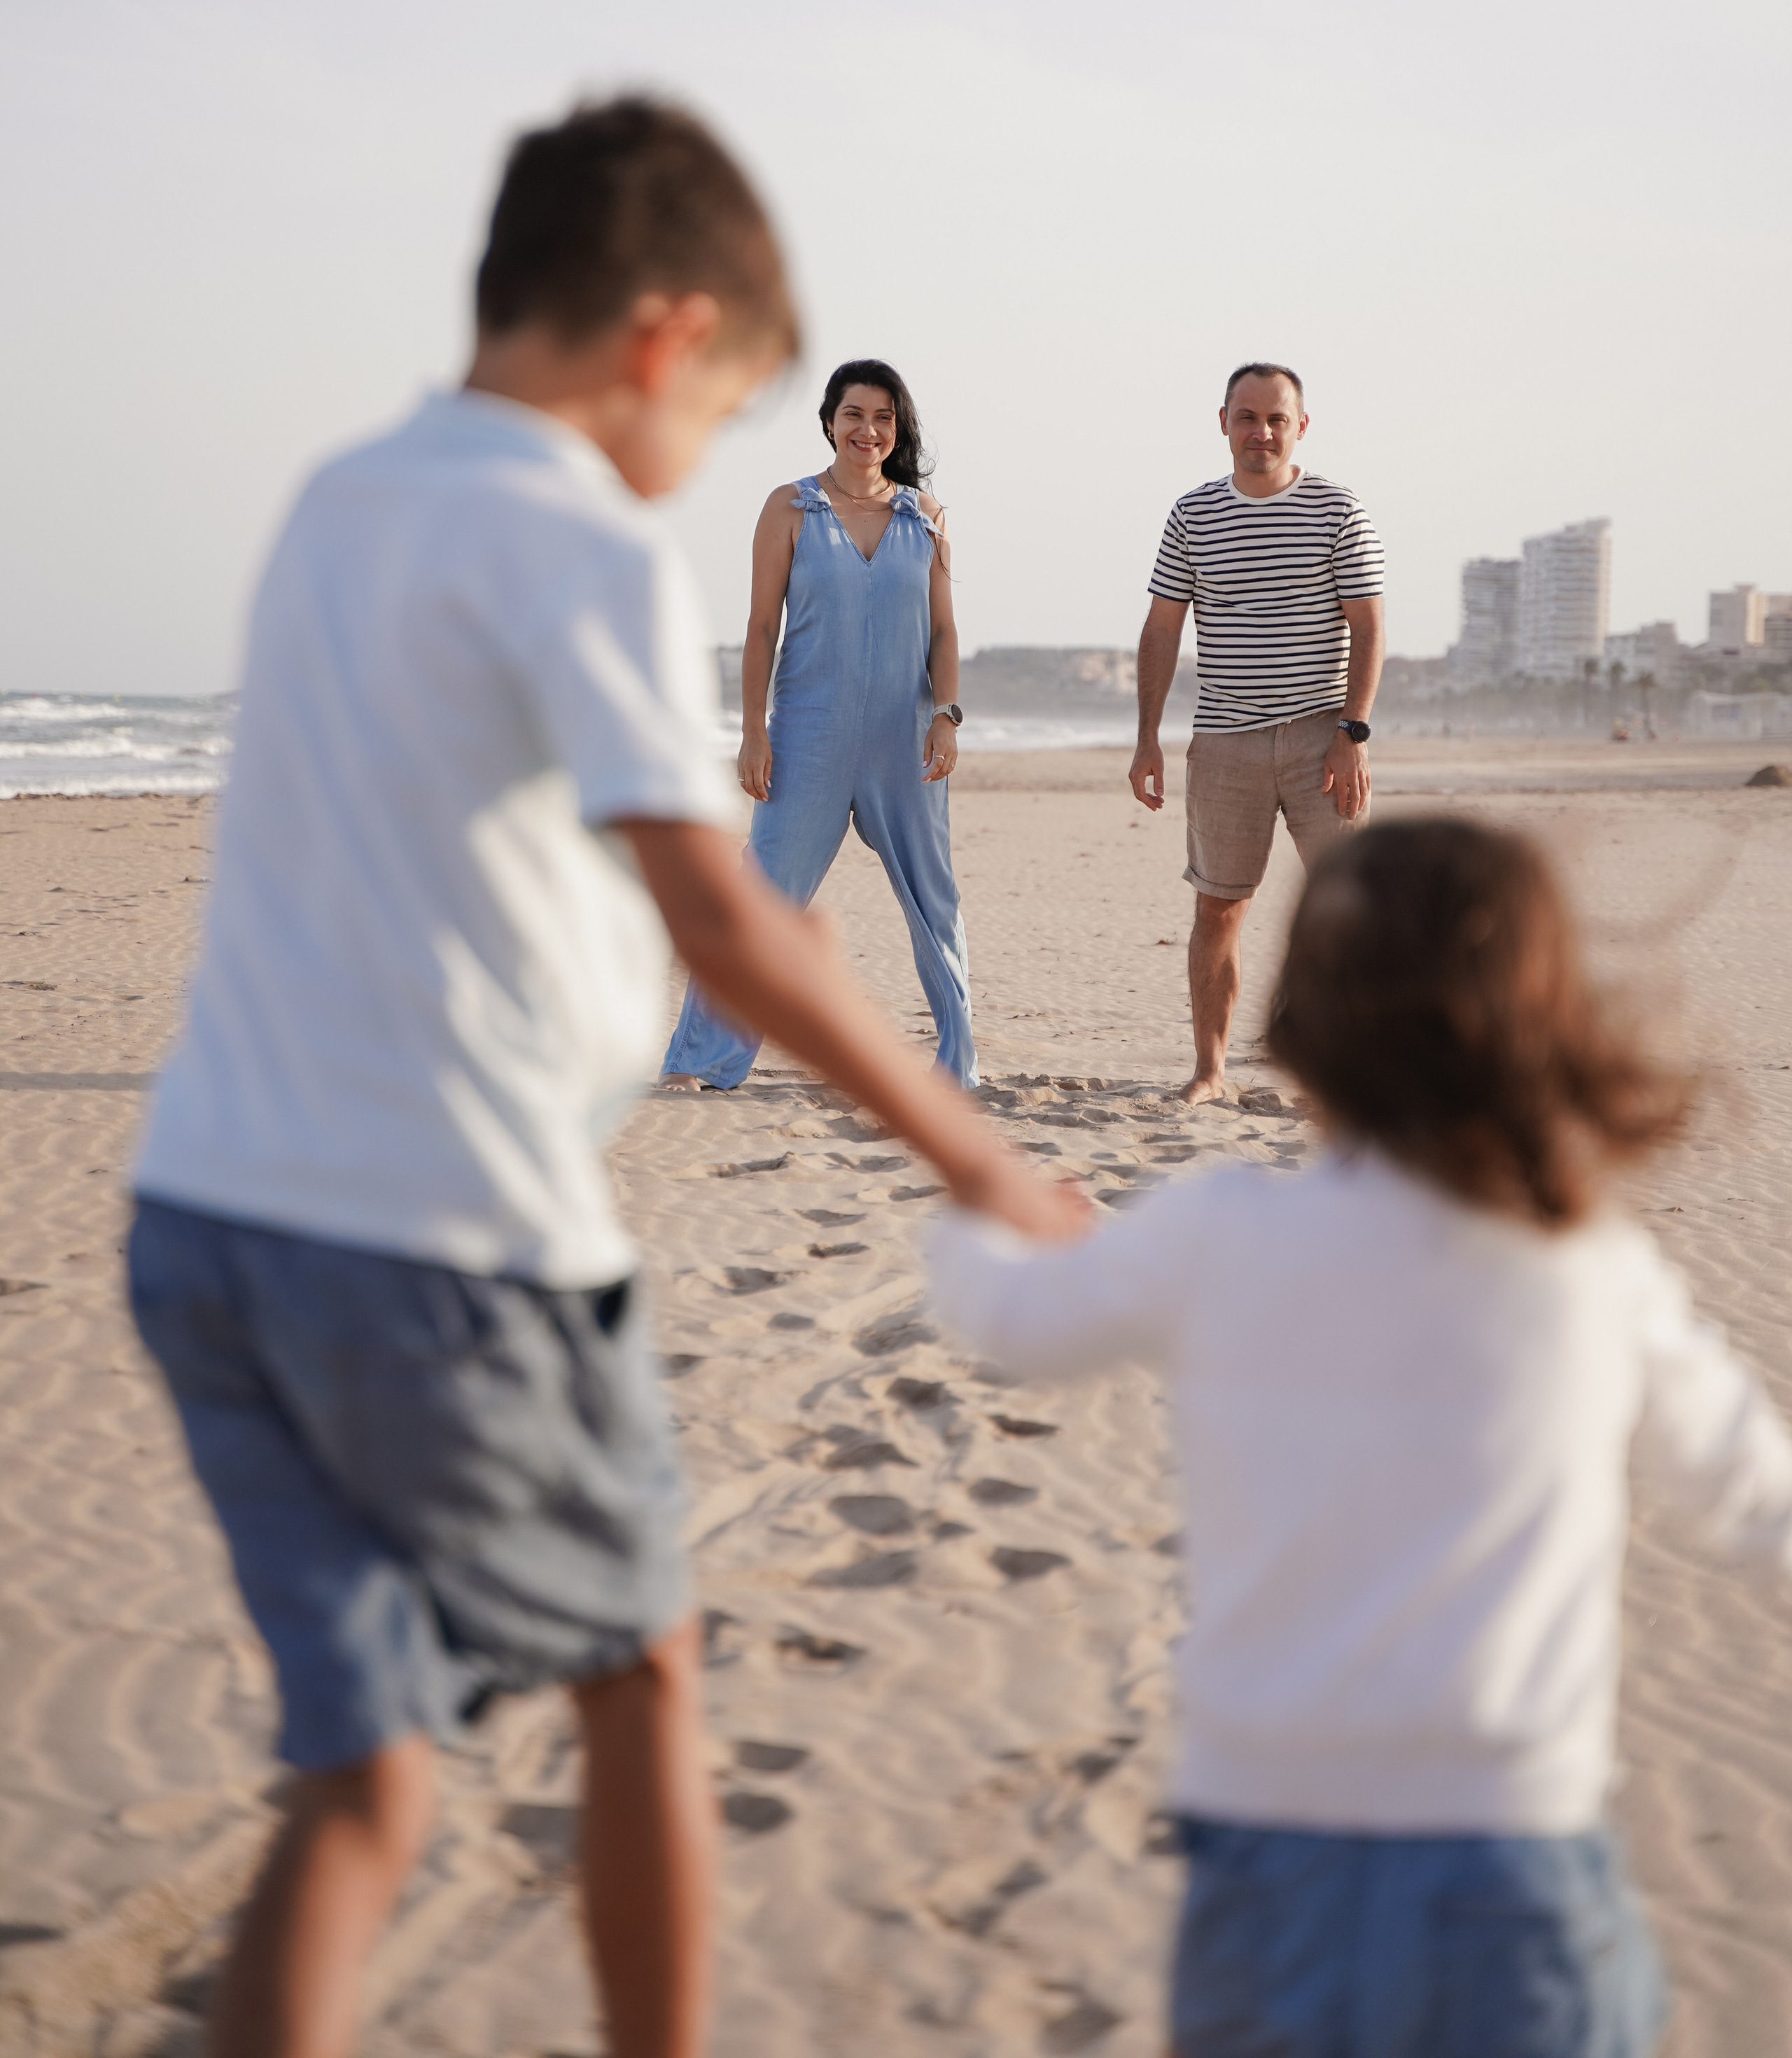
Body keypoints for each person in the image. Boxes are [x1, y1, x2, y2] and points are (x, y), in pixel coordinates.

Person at [126, 101, 1079, 2058]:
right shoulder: (575, 535)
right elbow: (730, 920)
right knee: (640, 1670)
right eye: (725, 405)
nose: (709, 450)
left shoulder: (339, 494)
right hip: (439, 1244)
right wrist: (969, 1156)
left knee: (369, 1781)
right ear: (664, 338)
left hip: (209, 1222)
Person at [929, 815, 1792, 2058]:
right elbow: (1751, 1498)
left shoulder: (1219, 1233)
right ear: (1538, 1033)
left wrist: (981, 1212)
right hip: (1512, 1864)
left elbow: (1015, 1325)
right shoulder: (1588, 1266)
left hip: (1269, 1865)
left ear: (1301, 1040)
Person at [662, 356, 976, 1091]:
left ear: (897, 431)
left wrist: (947, 717)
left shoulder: (925, 517)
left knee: (935, 899)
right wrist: (752, 730)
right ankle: (704, 1058)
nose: (868, 430)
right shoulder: (789, 508)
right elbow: (762, 626)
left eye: (883, 418)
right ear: (830, 422)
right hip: (807, 733)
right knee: (761, 898)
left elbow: (945, 634)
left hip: (905, 736)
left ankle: (958, 1064)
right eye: (854, 415)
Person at [1130, 360, 1385, 1105]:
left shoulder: (1339, 510)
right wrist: (1147, 737)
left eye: (1276, 418)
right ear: (1223, 423)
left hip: (1321, 742)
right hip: (1224, 745)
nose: (1261, 432)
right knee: (1218, 908)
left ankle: (1357, 1074)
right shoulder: (1193, 514)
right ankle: (1210, 1072)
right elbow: (1161, 627)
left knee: (1349, 908)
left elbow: (1368, 626)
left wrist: (1353, 732)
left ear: (1300, 427)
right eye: (1247, 416)